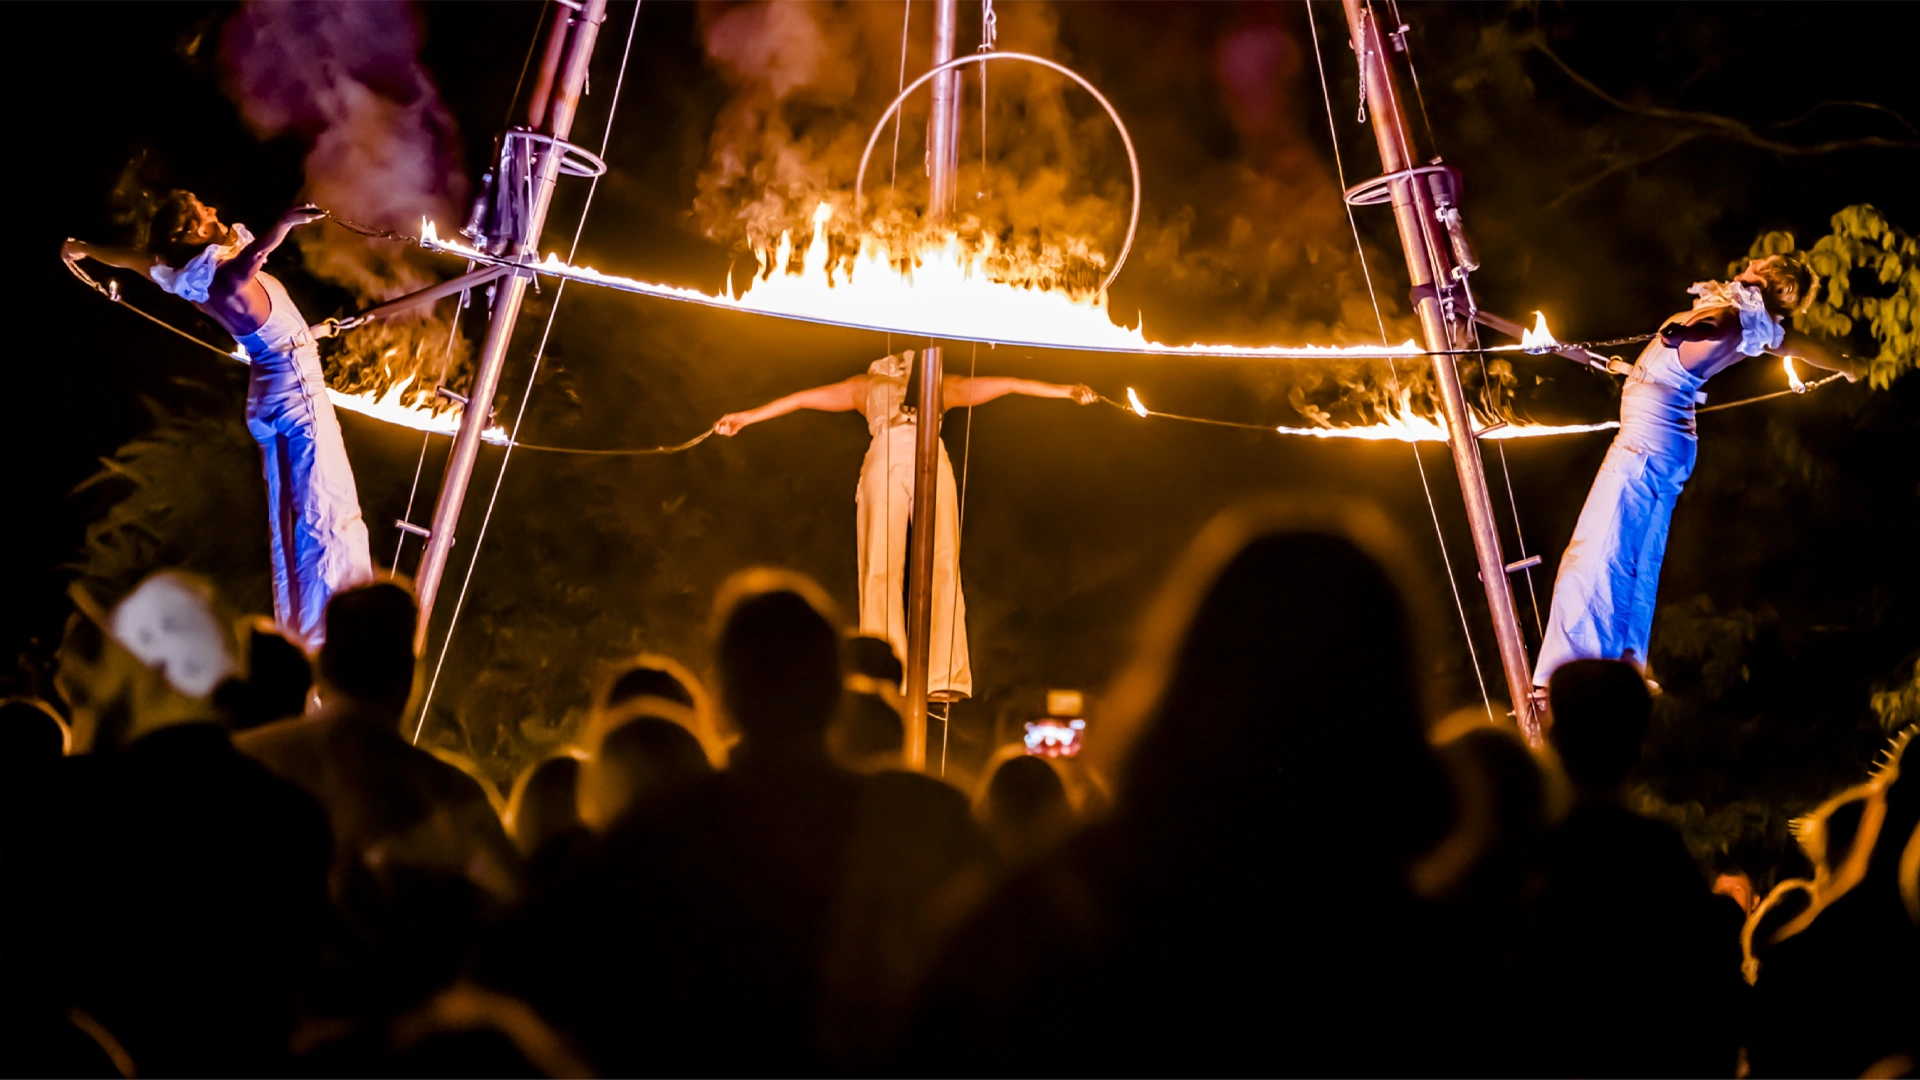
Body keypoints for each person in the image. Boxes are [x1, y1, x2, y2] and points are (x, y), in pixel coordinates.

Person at [1532, 255, 1863, 691]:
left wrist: (1688, 332)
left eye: (1767, 260)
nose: (1757, 256)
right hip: (1662, 443)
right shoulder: (1752, 319)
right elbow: (1805, 347)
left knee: (1598, 551)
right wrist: (1851, 364)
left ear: (1768, 277)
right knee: (1636, 554)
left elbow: (1716, 330)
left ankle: (1572, 675)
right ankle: (1621, 668)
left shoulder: (1733, 316)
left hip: (1648, 445)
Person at [64, 191, 372, 648]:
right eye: (205, 212)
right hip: (294, 398)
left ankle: (307, 640)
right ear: (191, 232)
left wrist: (84, 248)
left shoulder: (177, 274)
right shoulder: (218, 279)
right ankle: (336, 639)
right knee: (327, 516)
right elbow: (246, 265)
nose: (216, 211)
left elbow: (130, 259)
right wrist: (283, 223)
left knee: (293, 525)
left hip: (276, 393)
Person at [714, 352, 1097, 699]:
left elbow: (1008, 384)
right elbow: (801, 398)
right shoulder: (864, 386)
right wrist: (747, 417)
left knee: (943, 559)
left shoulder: (939, 384)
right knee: (879, 566)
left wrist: (1065, 391)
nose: (901, 361)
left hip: (931, 447)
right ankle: (885, 670)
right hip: (884, 450)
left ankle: (944, 672)